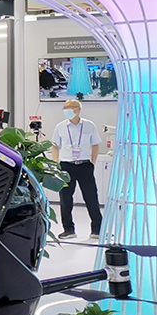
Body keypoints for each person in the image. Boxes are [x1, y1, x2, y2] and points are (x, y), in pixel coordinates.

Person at [50, 99, 103, 240]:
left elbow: (95, 144)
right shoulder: (60, 127)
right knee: (65, 199)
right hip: (66, 166)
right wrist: (56, 164)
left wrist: (92, 163)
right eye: (64, 108)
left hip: (85, 165)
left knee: (91, 197)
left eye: (69, 107)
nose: (66, 110)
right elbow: (55, 146)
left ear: (78, 109)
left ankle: (97, 229)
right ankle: (68, 229)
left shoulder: (89, 125)